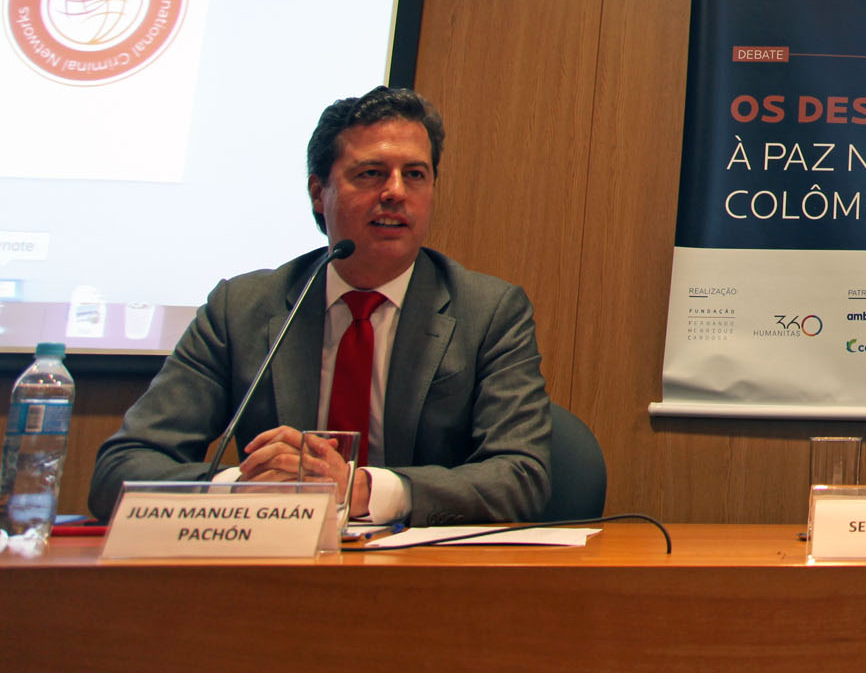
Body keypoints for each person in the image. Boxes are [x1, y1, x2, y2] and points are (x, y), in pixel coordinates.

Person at [90, 87, 553, 524]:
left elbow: (521, 476)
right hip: (271, 558)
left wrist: (363, 489)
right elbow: (121, 469)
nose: (395, 191)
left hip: (417, 565)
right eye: (371, 173)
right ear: (318, 192)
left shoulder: (488, 312)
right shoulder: (240, 309)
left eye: (415, 174)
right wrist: (243, 488)